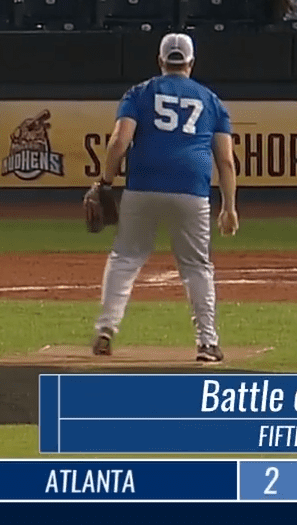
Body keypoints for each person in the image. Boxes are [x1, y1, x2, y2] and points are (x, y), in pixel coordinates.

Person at [89, 33, 239, 363]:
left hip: (143, 185)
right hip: (191, 189)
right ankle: (207, 343)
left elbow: (119, 141)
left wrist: (104, 183)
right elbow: (226, 161)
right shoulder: (211, 100)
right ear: (191, 63)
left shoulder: (140, 93)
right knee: (196, 267)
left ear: (160, 61)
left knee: (125, 258)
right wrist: (229, 206)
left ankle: (106, 330)